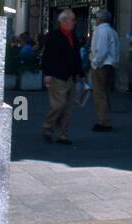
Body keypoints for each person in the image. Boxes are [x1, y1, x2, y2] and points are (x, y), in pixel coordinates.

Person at [41, 9, 84, 145]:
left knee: (68, 108)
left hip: (70, 76)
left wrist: (81, 74)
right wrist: (47, 74)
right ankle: (48, 126)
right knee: (59, 105)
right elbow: (47, 56)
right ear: (64, 21)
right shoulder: (53, 36)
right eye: (73, 20)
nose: (75, 22)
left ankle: (63, 135)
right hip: (57, 75)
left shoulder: (73, 36)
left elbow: (77, 57)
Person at [88, 9, 119, 132]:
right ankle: (106, 118)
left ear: (100, 19)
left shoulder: (100, 31)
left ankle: (104, 121)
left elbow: (101, 50)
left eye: (97, 18)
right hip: (110, 65)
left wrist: (94, 64)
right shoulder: (113, 31)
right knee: (104, 93)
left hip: (101, 65)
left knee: (99, 94)